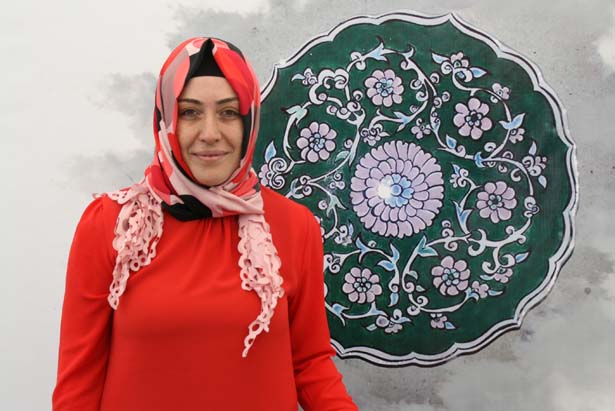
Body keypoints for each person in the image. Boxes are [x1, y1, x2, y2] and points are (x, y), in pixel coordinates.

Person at [52, 37, 358, 411]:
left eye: (228, 112)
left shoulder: (295, 226)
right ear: (166, 119)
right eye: (190, 112)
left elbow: (310, 365)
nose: (210, 133)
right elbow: (78, 386)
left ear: (249, 120)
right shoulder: (113, 224)